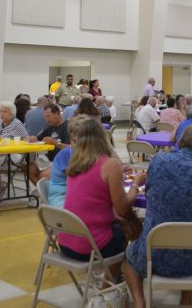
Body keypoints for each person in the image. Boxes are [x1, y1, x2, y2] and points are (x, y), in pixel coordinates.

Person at [123, 124, 192, 307]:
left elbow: (151, 195)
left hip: (155, 255)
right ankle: (186, 300)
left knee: (129, 257)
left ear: (180, 143)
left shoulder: (158, 162)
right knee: (190, 229)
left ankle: (139, 301)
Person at [59, 115, 139, 280]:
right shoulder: (109, 164)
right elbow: (122, 208)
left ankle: (113, 276)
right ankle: (109, 282)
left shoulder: (75, 162)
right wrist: (136, 185)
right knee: (129, 229)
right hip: (89, 246)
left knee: (122, 224)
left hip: (66, 242)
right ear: (103, 137)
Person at [46, 116, 85, 208]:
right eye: (88, 135)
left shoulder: (81, 152)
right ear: (74, 136)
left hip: (72, 194)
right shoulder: (67, 153)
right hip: (62, 197)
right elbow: (76, 181)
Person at [27, 103, 70, 184]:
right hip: (47, 161)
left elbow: (71, 148)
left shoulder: (68, 127)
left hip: (63, 163)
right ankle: (43, 192)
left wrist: (55, 143)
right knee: (29, 168)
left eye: (48, 116)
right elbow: (37, 138)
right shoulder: (50, 127)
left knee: (43, 176)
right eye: (45, 117)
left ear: (58, 114)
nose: (46, 119)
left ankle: (46, 191)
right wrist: (33, 138)